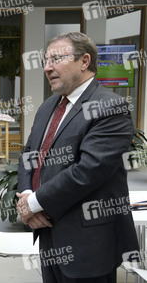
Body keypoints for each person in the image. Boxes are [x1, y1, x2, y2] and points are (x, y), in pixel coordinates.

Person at [16, 32, 139, 282]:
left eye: (56, 59)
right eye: (45, 60)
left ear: (84, 61)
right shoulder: (48, 106)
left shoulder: (109, 107)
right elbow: (28, 155)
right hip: (48, 236)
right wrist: (27, 195)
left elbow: (88, 171)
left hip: (89, 245)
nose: (47, 67)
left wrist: (35, 202)